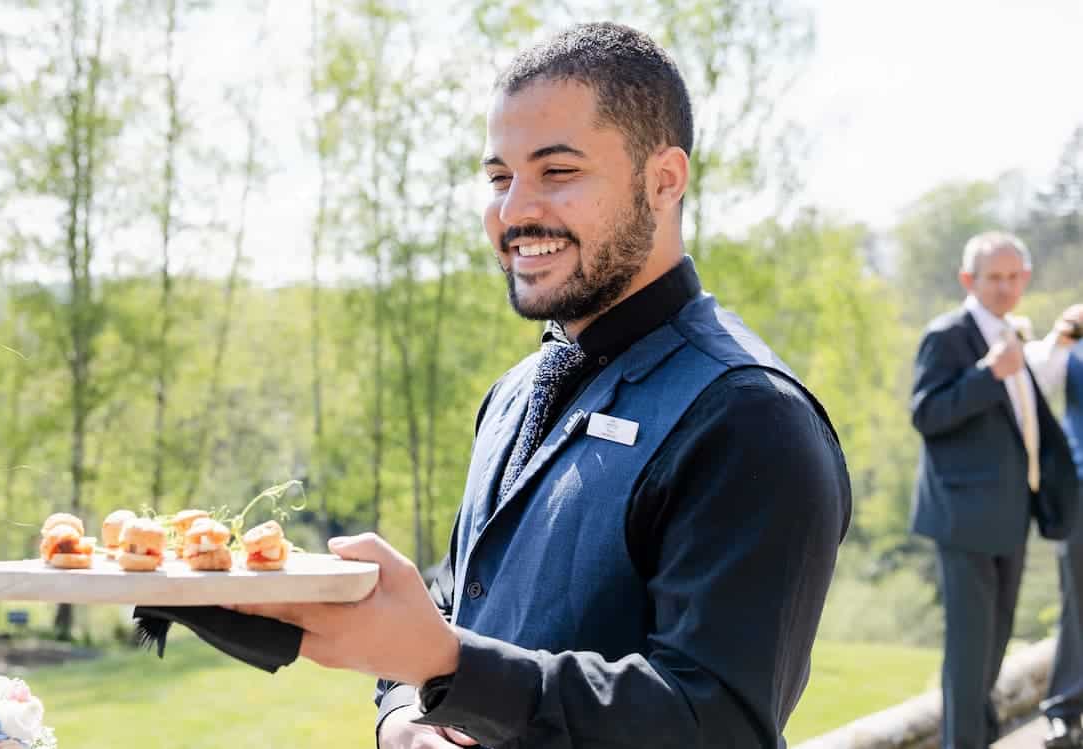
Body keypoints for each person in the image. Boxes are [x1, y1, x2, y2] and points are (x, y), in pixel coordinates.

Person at [232, 23, 851, 748]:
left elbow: (714, 723)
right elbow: (457, 599)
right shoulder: (515, 393)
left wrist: (448, 665)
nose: (514, 211)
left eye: (557, 172)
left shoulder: (749, 416)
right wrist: (405, 711)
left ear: (664, 179)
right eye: (499, 178)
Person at [910, 232, 1080, 749]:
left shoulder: (1011, 335)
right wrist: (987, 375)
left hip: (1010, 517)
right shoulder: (949, 335)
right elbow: (927, 413)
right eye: (994, 278)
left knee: (990, 654)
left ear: (1025, 279)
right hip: (964, 521)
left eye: (1013, 277)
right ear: (969, 280)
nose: (1005, 287)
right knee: (967, 658)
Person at [1026, 304, 1083, 749]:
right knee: (1076, 600)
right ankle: (1063, 710)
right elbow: (1035, 385)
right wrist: (1062, 336)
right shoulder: (1072, 346)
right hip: (1079, 489)